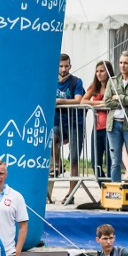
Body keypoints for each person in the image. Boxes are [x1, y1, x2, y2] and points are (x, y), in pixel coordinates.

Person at [51, 53, 85, 203]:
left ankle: (71, 193)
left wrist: (60, 101)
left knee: (75, 159)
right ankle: (58, 164)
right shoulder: (51, 81)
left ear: (70, 66)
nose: (64, 69)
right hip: (57, 122)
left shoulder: (76, 81)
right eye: (61, 66)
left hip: (74, 122)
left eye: (66, 66)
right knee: (52, 139)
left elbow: (78, 100)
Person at [104, 51, 128, 185]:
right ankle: (115, 193)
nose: (122, 66)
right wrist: (125, 102)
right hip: (113, 124)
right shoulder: (112, 80)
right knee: (115, 162)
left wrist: (119, 98)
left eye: (126, 63)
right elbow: (107, 101)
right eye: (120, 63)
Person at [82, 61, 114, 182]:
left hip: (110, 127)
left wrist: (101, 104)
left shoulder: (113, 84)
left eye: (102, 71)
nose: (99, 74)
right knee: (95, 162)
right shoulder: (94, 86)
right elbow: (83, 101)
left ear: (108, 72)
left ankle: (111, 188)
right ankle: (104, 187)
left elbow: (111, 102)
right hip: (97, 128)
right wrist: (99, 103)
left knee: (111, 161)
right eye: (97, 71)